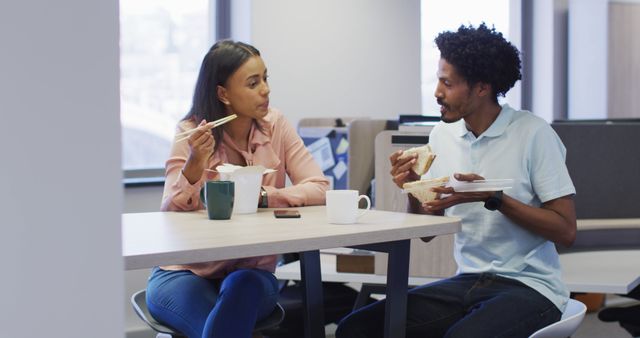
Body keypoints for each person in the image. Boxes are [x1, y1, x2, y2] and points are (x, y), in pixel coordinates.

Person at [336, 23, 577, 338]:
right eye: (438, 80)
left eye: (447, 83)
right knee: (356, 328)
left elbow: (566, 230)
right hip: (468, 280)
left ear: (481, 87)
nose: (437, 92)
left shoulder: (533, 133)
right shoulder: (443, 135)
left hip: (531, 286)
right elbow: (427, 232)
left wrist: (495, 199)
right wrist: (413, 187)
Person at [146, 40, 329, 338]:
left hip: (251, 274)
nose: (266, 90)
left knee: (241, 290)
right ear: (223, 94)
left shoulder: (276, 125)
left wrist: (266, 197)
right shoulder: (191, 131)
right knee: (226, 328)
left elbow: (319, 187)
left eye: (265, 79)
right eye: (253, 83)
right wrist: (195, 163)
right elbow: (170, 213)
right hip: (183, 272)